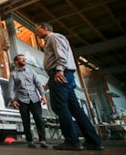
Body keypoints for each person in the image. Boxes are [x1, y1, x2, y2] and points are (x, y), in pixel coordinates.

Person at [35, 22, 104, 151]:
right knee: (75, 109)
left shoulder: (53, 37)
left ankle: (72, 141)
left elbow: (61, 55)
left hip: (60, 73)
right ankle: (94, 141)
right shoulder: (54, 39)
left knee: (59, 106)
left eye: (38, 30)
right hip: (61, 74)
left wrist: (59, 71)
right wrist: (51, 79)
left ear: (45, 29)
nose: (36, 33)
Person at [9, 54, 48, 149]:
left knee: (39, 119)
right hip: (22, 101)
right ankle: (30, 141)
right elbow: (11, 88)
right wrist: (13, 100)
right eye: (21, 59)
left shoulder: (31, 71)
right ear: (16, 62)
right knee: (26, 121)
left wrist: (43, 95)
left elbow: (38, 84)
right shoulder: (13, 74)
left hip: (34, 99)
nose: (24, 60)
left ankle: (42, 140)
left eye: (24, 58)